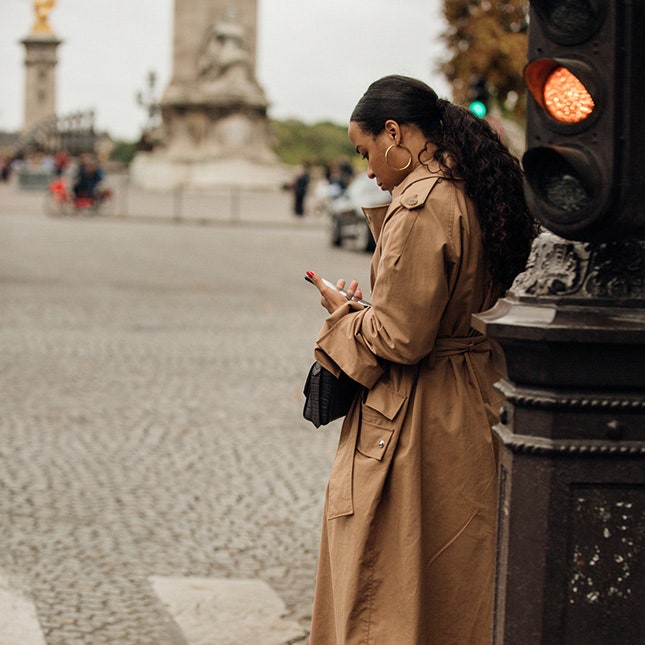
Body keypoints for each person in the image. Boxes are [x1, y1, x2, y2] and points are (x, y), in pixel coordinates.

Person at [305, 75, 539, 644]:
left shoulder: (419, 202)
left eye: (366, 152)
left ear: (395, 133)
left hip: (420, 410)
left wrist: (345, 315)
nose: (367, 171)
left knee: (388, 581)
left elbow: (402, 338)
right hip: (474, 395)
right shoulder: (477, 186)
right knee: (455, 580)